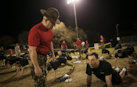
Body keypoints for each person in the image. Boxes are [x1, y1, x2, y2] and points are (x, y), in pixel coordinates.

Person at [28, 7, 59, 87]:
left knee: (43, 79)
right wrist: (36, 67)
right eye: (52, 23)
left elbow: (50, 42)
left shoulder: (50, 30)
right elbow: (32, 50)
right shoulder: (35, 30)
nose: (53, 25)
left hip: (44, 57)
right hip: (37, 58)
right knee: (40, 83)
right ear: (45, 20)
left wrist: (53, 54)